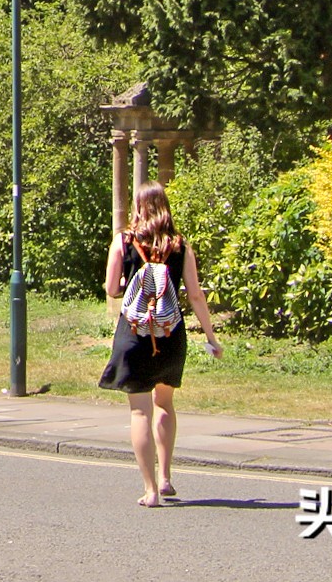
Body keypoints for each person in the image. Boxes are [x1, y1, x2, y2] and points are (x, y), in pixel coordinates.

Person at [99, 181, 222, 507]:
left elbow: (112, 289)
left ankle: (151, 490)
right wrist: (211, 338)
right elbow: (195, 295)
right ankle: (167, 477)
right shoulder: (180, 246)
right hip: (170, 335)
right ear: (165, 207)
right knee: (164, 405)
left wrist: (125, 281)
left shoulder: (123, 241)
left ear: (138, 207)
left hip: (135, 335)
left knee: (140, 412)